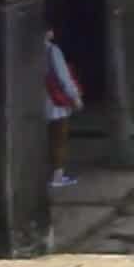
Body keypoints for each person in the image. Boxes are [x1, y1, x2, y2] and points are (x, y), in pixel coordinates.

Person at [44, 27, 83, 188]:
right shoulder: (52, 50)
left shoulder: (25, 50)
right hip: (54, 102)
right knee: (59, 140)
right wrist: (75, 97)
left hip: (32, 103)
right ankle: (57, 177)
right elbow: (63, 77)